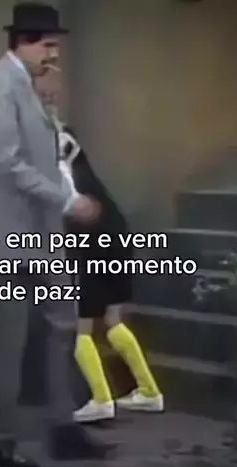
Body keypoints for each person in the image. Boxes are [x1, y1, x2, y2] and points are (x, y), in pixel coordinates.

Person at [0, 2, 114, 467]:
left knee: (63, 326)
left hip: (46, 235)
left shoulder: (30, 86)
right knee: (11, 337)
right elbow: (8, 163)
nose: (54, 54)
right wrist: (69, 202)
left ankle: (63, 428)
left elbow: (48, 155)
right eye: (49, 45)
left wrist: (50, 107)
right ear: (25, 42)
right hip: (14, 236)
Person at [56, 123, 165, 423]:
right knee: (112, 319)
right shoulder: (77, 162)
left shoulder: (61, 156)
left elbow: (72, 202)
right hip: (118, 235)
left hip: (96, 244)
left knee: (81, 325)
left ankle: (102, 399)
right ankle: (149, 392)